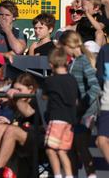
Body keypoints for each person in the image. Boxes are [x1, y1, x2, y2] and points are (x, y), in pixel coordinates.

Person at [0, 73, 42, 178]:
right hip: (19, 140)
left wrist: (16, 98)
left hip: (37, 140)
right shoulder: (15, 103)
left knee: (11, 131)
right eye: (15, 89)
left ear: (30, 89)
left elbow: (29, 113)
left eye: (19, 90)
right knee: (0, 127)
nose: (16, 92)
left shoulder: (36, 100)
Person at [61, 30, 100, 177]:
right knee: (73, 147)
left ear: (68, 45)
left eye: (63, 46)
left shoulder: (83, 60)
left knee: (80, 146)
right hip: (76, 113)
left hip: (86, 112)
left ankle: (91, 175)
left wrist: (82, 105)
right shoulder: (74, 62)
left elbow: (95, 87)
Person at [43, 48, 77, 178]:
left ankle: (57, 175)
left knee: (51, 149)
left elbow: (45, 97)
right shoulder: (72, 80)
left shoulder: (50, 81)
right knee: (63, 151)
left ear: (51, 64)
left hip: (56, 119)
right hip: (70, 121)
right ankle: (68, 175)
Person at [95, 44, 109, 165]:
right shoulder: (105, 50)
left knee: (101, 140)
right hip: (107, 101)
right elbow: (99, 78)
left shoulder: (105, 50)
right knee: (101, 140)